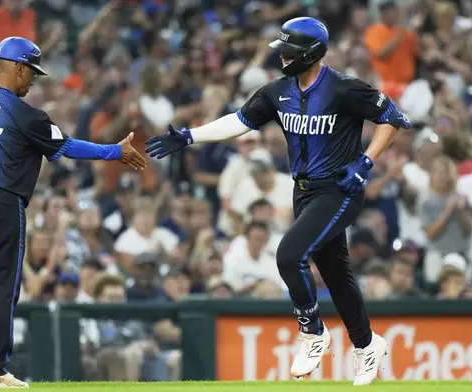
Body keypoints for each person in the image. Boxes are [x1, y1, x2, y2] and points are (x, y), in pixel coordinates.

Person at [145, 17, 411, 386]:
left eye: (290, 51)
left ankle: (313, 332)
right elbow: (240, 121)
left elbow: (392, 117)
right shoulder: (277, 91)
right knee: (336, 274)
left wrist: (366, 162)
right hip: (303, 191)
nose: (283, 57)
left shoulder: (344, 88)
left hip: (339, 188)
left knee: (288, 255)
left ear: (313, 54)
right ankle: (367, 346)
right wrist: (191, 136)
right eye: (282, 50)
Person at [0, 36, 146, 388]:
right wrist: (115, 151)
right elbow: (67, 146)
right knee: (1, 287)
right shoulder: (25, 113)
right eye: (32, 72)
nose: (33, 80)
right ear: (18, 67)